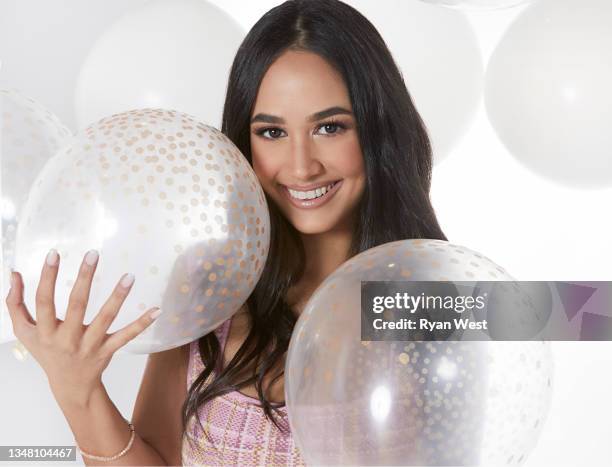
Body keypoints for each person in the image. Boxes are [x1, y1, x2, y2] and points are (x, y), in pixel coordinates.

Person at [5, 0, 447, 465]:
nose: (301, 166)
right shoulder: (210, 282)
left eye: (330, 127)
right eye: (272, 133)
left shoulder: (441, 301)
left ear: (379, 130)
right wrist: (78, 393)